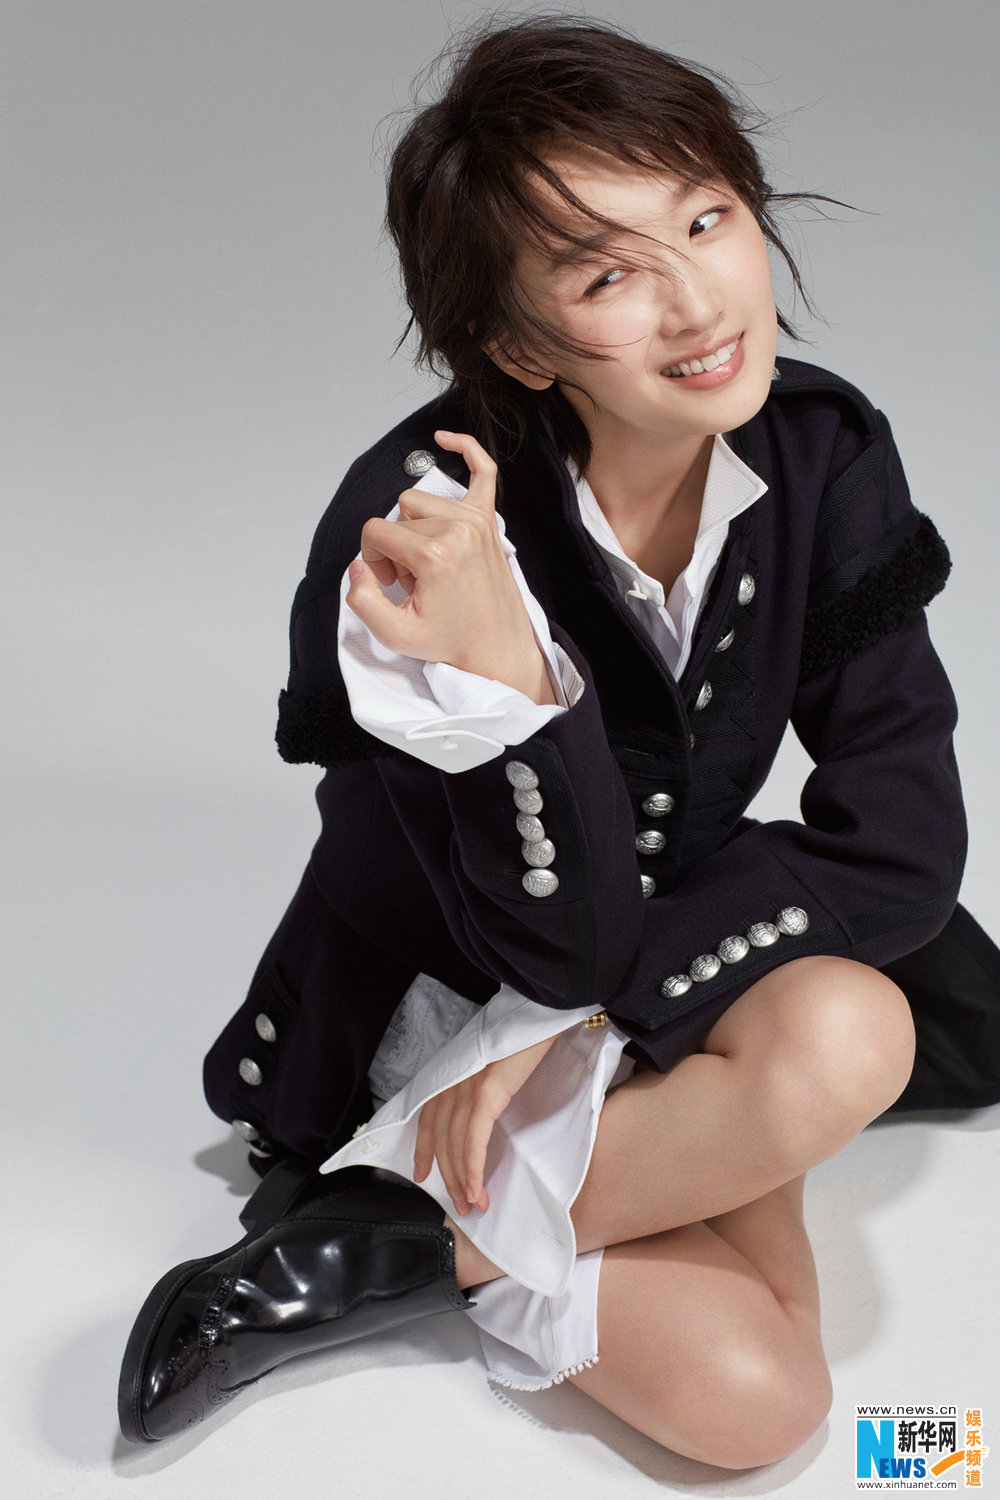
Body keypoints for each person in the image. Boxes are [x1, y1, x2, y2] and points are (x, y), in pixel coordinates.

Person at [117, 15, 1000, 1470]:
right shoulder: (419, 535)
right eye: (606, 274)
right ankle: (410, 1185)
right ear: (518, 343)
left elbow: (904, 842)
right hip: (468, 1001)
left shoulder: (820, 450)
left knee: (860, 1027)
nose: (699, 303)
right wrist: (513, 676)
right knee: (767, 1404)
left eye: (707, 220)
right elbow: (543, 941)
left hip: (643, 970)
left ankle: (383, 1248)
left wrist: (600, 1023)